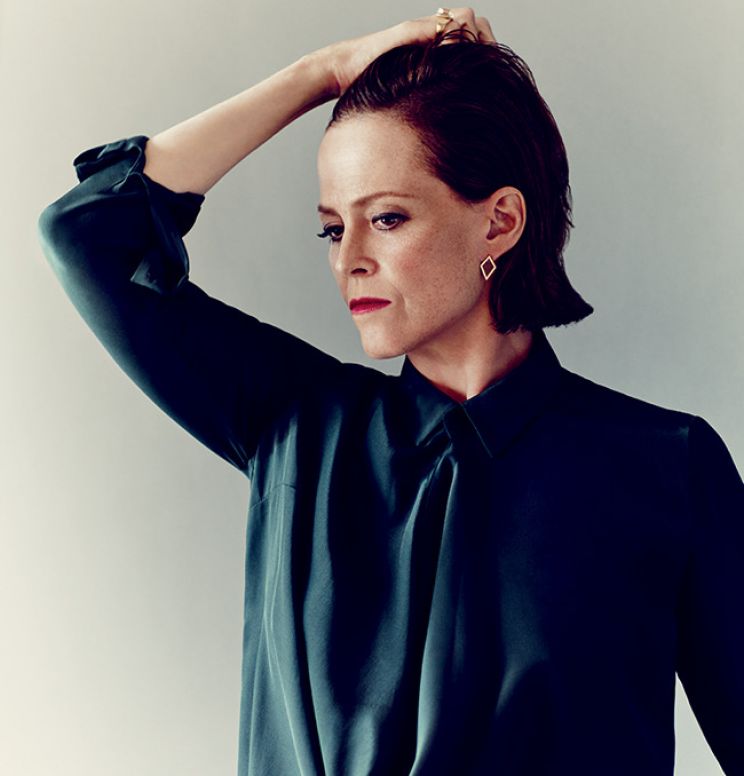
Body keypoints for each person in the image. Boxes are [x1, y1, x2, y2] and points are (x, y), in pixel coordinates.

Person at [36, 7, 743, 775]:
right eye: (333, 229)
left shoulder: (668, 467)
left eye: (387, 218)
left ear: (500, 222)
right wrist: (324, 72)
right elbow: (88, 233)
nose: (350, 260)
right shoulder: (295, 423)